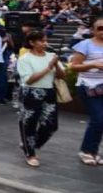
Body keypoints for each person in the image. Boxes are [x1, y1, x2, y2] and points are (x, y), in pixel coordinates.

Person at [17, 31, 64, 167]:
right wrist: (48, 67)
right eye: (41, 41)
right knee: (29, 123)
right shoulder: (25, 58)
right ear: (32, 43)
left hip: (49, 92)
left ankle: (30, 144)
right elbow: (29, 80)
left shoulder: (51, 56)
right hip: (31, 93)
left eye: (45, 40)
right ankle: (30, 153)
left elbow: (62, 76)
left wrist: (55, 65)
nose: (45, 43)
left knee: (51, 125)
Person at [69, 16, 103, 166]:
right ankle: (86, 151)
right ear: (93, 30)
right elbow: (73, 66)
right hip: (89, 86)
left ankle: (94, 151)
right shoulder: (85, 45)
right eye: (100, 28)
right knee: (98, 118)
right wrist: (93, 64)